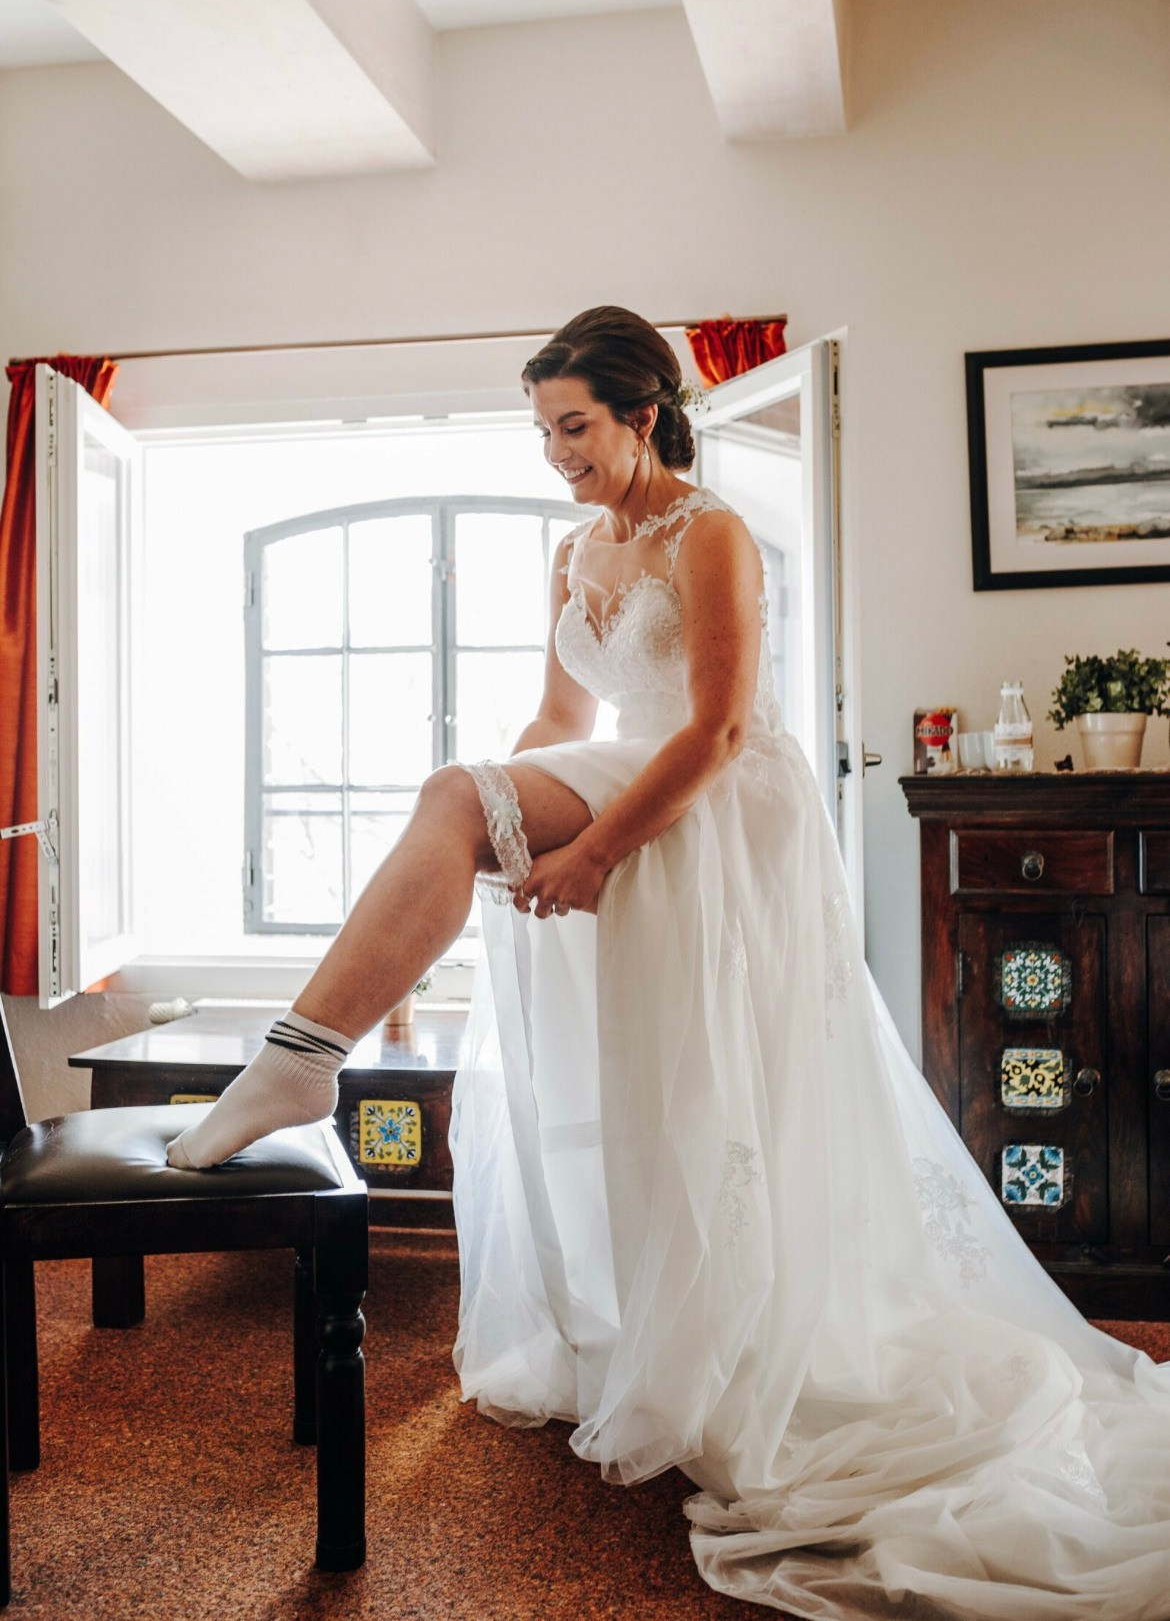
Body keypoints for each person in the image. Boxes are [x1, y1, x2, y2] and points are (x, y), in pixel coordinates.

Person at [169, 307, 1170, 1619]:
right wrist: (499, 825)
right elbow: (555, 719)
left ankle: (302, 1064)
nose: (555, 454)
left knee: (696, 1078)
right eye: (540, 433)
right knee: (478, 837)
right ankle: (341, 1087)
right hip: (616, 779)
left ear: (642, 413)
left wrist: (582, 854)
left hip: (710, 814)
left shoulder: (712, 534)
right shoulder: (571, 547)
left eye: (573, 427)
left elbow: (712, 728)